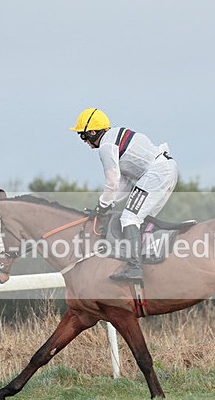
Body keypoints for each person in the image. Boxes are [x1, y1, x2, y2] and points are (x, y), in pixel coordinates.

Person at [70, 107, 179, 281]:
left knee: (129, 219)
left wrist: (102, 205)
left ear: (92, 132)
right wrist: (108, 205)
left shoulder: (106, 147)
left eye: (83, 136)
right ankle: (148, 259)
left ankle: (135, 268)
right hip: (166, 169)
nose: (84, 141)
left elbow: (112, 182)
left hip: (157, 173)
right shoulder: (115, 136)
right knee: (141, 220)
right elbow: (125, 185)